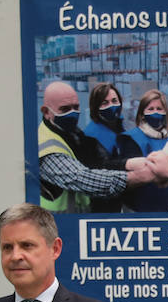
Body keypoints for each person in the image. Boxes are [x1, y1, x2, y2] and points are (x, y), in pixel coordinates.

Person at [35, 80, 156, 213]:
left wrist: (128, 164)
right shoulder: (48, 146)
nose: (73, 113)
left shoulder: (73, 134)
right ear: (46, 112)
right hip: (60, 222)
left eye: (76, 107)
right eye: (65, 109)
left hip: (83, 215)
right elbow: (83, 178)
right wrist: (138, 176)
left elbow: (97, 163)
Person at [115, 90, 168, 212]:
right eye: (151, 109)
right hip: (137, 210)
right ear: (142, 113)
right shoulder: (131, 138)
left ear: (166, 113)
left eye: (159, 109)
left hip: (166, 209)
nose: (155, 112)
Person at [83, 83, 126, 154]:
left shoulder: (122, 125)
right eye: (105, 103)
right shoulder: (91, 136)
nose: (111, 106)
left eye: (114, 101)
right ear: (95, 107)